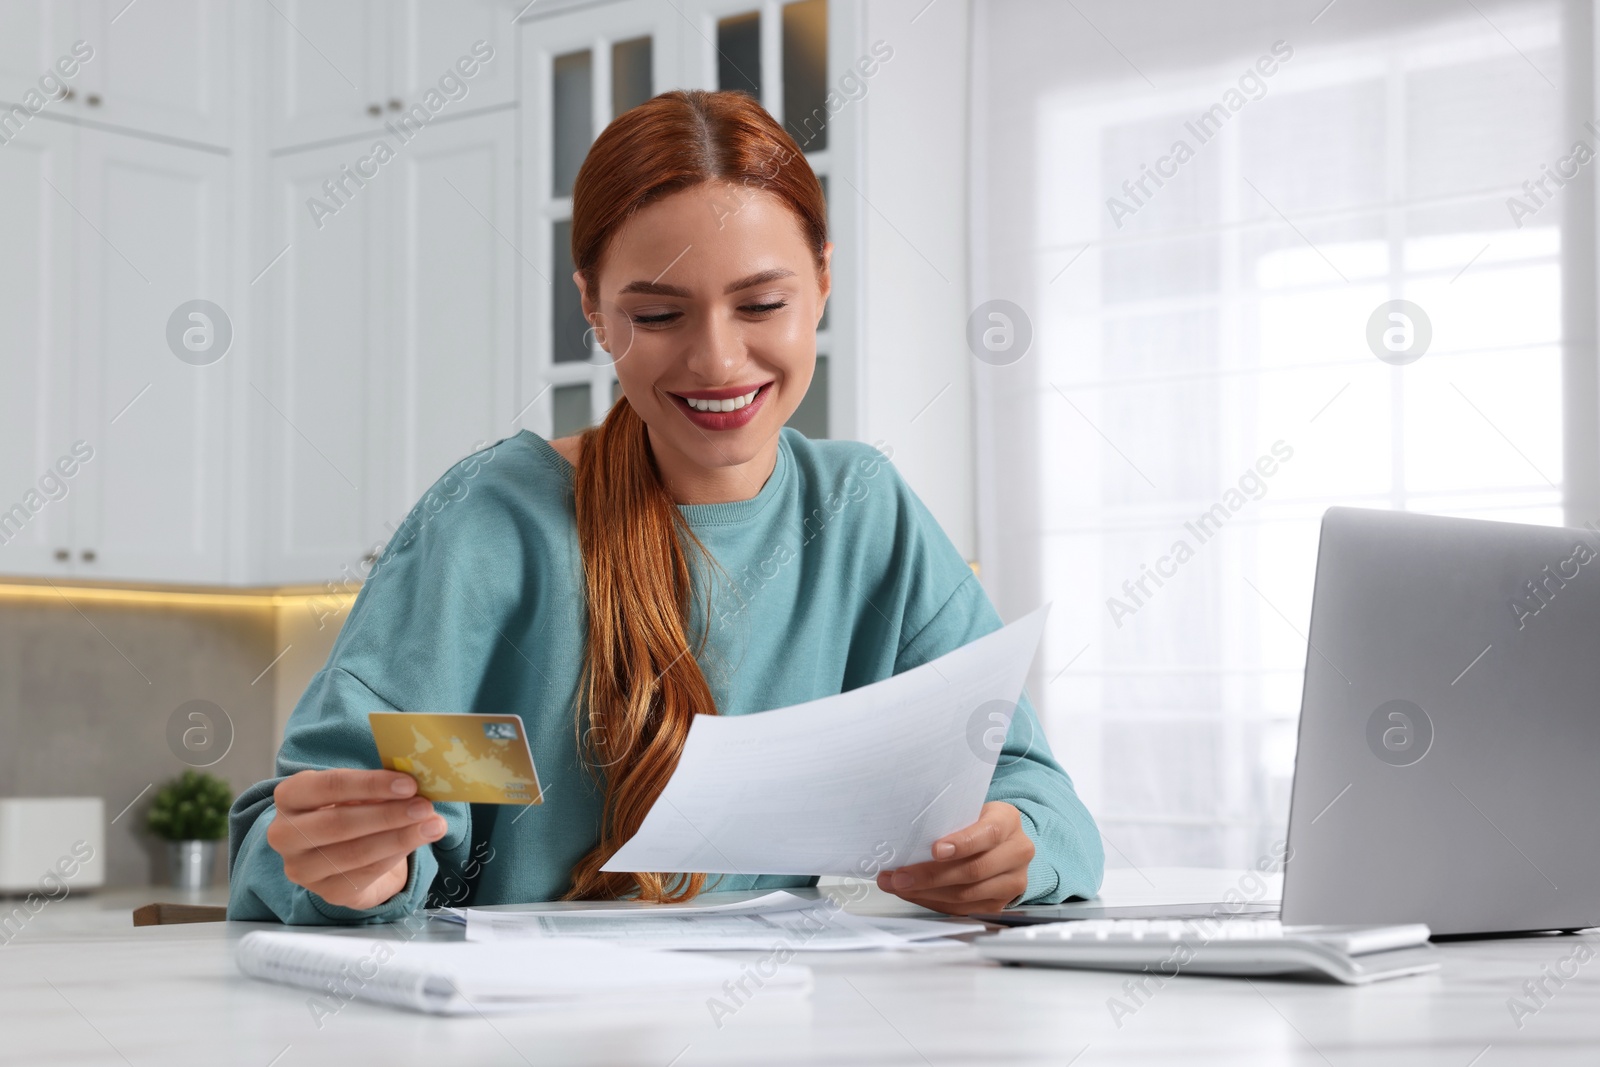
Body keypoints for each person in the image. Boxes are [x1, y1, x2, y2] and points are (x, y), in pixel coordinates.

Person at [227, 89, 1103, 925]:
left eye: (762, 303)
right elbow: (289, 835)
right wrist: (358, 868)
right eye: (658, 314)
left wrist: (1016, 845)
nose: (719, 360)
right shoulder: (490, 521)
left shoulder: (865, 513)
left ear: (824, 282)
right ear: (594, 310)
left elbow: (1036, 793)